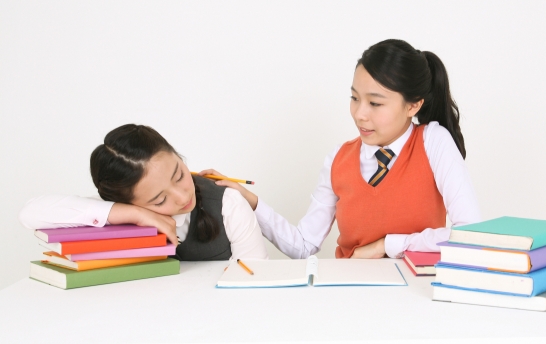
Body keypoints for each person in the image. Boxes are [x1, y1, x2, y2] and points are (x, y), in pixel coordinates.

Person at [209, 39, 481, 259]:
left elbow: (468, 233)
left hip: (416, 295)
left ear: (413, 106)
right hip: (351, 297)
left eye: (375, 103)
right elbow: (303, 245)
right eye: (354, 98)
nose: (360, 114)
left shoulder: (433, 141)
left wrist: (387, 245)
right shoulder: (338, 160)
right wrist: (250, 201)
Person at [19, 124, 268, 261]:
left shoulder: (229, 204)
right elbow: (30, 213)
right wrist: (132, 215)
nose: (182, 197)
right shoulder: (121, 212)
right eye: (159, 200)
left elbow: (254, 279)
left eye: (179, 175)